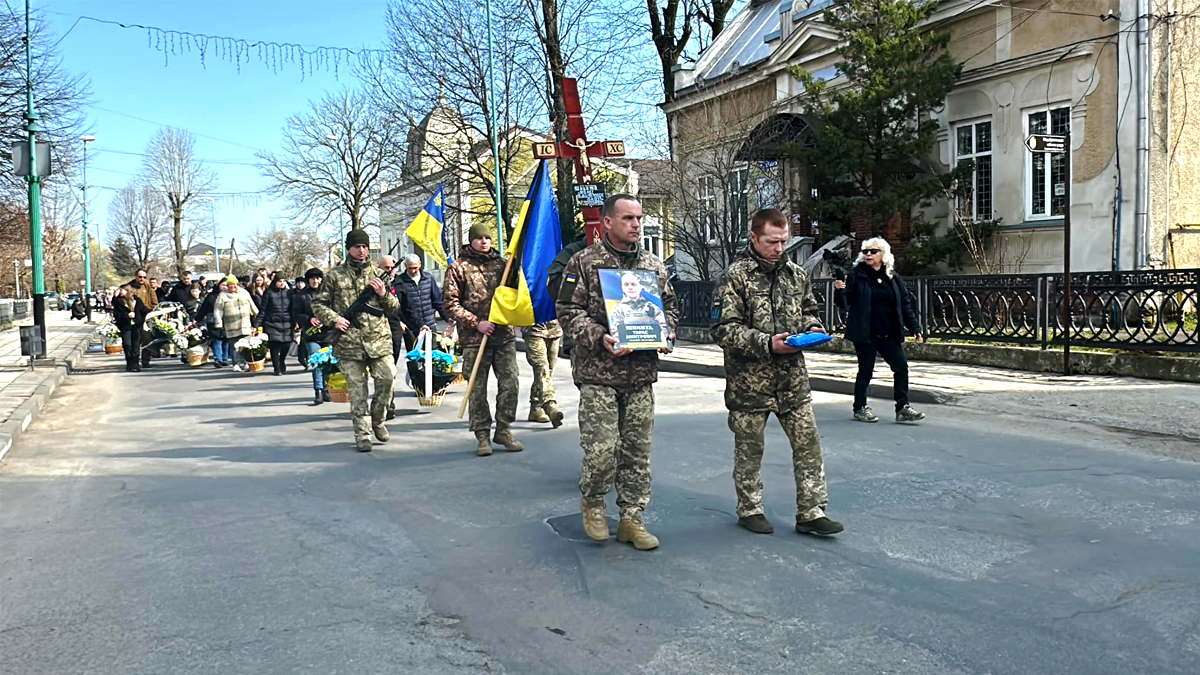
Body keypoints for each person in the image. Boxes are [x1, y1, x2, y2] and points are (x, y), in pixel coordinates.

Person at [711, 208, 843, 537]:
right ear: (754, 238)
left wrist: (813, 330)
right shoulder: (735, 276)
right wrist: (766, 343)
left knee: (809, 445)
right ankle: (750, 508)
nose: (779, 248)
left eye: (783, 241)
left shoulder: (797, 275)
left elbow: (809, 312)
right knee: (750, 449)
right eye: (772, 242)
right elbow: (723, 330)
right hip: (749, 383)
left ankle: (811, 512)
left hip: (792, 381)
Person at [557, 194, 678, 551]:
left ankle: (632, 519)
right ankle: (593, 503)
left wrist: (666, 331)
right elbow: (567, 310)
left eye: (639, 218)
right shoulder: (584, 262)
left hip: (640, 373)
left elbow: (669, 308)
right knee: (601, 450)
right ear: (607, 222)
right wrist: (600, 336)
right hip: (599, 372)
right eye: (628, 218)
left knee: (637, 452)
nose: (636, 224)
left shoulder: (653, 266)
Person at [312, 229, 399, 452]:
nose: (362, 251)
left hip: (378, 340)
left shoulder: (379, 274)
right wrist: (334, 320)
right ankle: (363, 433)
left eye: (365, 246)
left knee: (387, 379)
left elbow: (394, 307)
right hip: (349, 342)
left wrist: (383, 295)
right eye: (357, 246)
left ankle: (378, 419)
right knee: (358, 391)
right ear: (349, 248)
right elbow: (319, 304)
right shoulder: (334, 275)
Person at [443, 224, 523, 456]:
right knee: (477, 390)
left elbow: (515, 292)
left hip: (503, 335)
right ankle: (482, 434)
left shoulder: (502, 265)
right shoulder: (458, 268)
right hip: (474, 339)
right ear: (471, 241)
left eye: (488, 237)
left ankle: (504, 429)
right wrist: (476, 322)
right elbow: (450, 303)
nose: (485, 242)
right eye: (479, 238)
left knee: (511, 384)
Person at [834, 236, 926, 423]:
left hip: (889, 332)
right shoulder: (857, 276)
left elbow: (905, 304)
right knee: (866, 370)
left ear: (883, 254)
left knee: (901, 367)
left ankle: (903, 407)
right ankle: (860, 407)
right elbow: (845, 303)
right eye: (866, 251)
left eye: (873, 251)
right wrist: (839, 290)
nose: (868, 254)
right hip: (865, 332)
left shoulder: (893, 278)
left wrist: (915, 328)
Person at [394, 254, 447, 351]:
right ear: (405, 266)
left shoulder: (428, 278)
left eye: (415, 268)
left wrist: (447, 318)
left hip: (429, 323)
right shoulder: (400, 281)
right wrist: (400, 322)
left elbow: (437, 301)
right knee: (414, 356)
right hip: (411, 327)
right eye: (410, 268)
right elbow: (398, 306)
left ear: (420, 265)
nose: (413, 271)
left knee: (433, 354)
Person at [294, 268, 330, 404]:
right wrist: (309, 319)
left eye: (317, 278)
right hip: (311, 334)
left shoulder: (327, 293)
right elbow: (296, 313)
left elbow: (335, 309)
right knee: (317, 361)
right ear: (308, 280)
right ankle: (318, 390)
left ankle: (326, 389)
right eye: (312, 279)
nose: (315, 281)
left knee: (327, 362)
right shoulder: (301, 295)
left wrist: (326, 318)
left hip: (327, 333)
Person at [213, 275, 258, 372]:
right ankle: (236, 363)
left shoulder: (244, 293)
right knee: (234, 345)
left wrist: (258, 319)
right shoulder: (222, 295)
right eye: (230, 284)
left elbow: (252, 306)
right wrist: (218, 323)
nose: (232, 286)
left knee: (246, 344)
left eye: (234, 284)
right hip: (231, 324)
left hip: (245, 323)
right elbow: (218, 310)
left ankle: (246, 363)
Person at [607, 272, 669, 342]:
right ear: (622, 288)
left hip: (650, 347)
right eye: (626, 285)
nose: (630, 287)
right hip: (626, 348)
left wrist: (661, 340)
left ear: (640, 287)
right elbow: (616, 331)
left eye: (633, 284)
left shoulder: (653, 307)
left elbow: (664, 327)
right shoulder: (618, 309)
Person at [255, 273, 296, 376]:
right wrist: (257, 324)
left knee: (286, 344)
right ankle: (276, 367)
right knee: (274, 346)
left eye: (283, 281)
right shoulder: (269, 293)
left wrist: (296, 321)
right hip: (272, 323)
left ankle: (281, 360)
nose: (281, 283)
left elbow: (294, 309)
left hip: (287, 322)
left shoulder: (289, 293)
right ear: (275, 282)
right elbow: (263, 310)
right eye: (279, 281)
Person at [112, 285, 149, 372]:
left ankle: (135, 364)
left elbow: (144, 311)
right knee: (127, 345)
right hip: (125, 326)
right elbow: (116, 314)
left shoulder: (137, 300)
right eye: (120, 290)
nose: (121, 292)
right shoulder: (118, 301)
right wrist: (126, 316)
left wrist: (138, 317)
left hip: (136, 326)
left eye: (123, 290)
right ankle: (129, 363)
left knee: (136, 346)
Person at [127, 269, 158, 368]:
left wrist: (151, 311)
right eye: (140, 277)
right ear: (136, 276)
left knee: (147, 339)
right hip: (133, 318)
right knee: (133, 341)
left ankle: (145, 360)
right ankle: (133, 362)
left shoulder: (148, 288)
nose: (142, 279)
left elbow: (154, 302)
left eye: (144, 277)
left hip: (146, 317)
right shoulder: (129, 287)